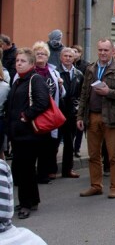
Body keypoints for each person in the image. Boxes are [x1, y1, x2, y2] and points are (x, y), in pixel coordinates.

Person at [77, 39, 115, 199]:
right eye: (100, 50)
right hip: (92, 116)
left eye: (106, 50)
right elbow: (84, 94)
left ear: (112, 51)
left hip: (111, 117)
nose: (102, 53)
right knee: (93, 155)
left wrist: (109, 92)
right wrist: (80, 116)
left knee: (114, 156)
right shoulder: (90, 68)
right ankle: (96, 185)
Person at [6, 48, 51, 219]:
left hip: (29, 134)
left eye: (23, 61)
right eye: (17, 61)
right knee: (25, 170)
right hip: (18, 134)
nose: (18, 63)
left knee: (23, 169)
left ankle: (25, 204)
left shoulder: (35, 79)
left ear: (31, 64)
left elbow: (42, 102)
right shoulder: (19, 81)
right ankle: (31, 200)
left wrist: (26, 116)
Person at [31, 41, 64, 184]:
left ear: (47, 57)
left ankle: (43, 174)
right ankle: (30, 175)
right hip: (33, 113)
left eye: (43, 54)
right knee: (32, 146)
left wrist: (61, 86)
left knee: (47, 146)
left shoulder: (53, 72)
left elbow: (62, 94)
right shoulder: (29, 71)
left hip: (49, 114)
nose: (41, 56)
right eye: (38, 53)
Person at [0, 159, 46, 244]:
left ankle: (27, 204)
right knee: (24, 169)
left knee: (25, 168)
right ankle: (30, 201)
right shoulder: (33, 240)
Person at [57, 48, 84, 178]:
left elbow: (81, 93)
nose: (68, 58)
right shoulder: (56, 72)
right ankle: (50, 169)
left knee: (69, 142)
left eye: (70, 56)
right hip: (58, 111)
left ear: (74, 58)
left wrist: (78, 109)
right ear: (61, 57)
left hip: (72, 112)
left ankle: (68, 169)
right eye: (65, 56)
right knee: (54, 141)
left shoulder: (78, 74)